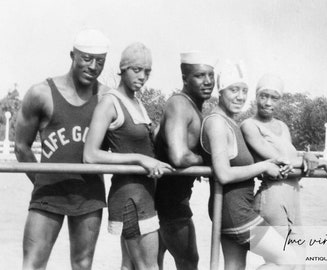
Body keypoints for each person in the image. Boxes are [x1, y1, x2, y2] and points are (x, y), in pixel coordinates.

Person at [14, 29, 110, 270]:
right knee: (33, 264)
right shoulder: (42, 93)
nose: (93, 66)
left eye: (100, 61)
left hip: (89, 195)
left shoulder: (107, 98)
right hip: (49, 193)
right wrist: (43, 180)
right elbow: (21, 147)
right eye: (86, 58)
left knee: (82, 264)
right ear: (72, 55)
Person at [83, 42, 174, 270]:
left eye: (147, 71)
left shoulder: (137, 102)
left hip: (145, 195)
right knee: (148, 267)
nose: (143, 76)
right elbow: (90, 155)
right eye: (136, 69)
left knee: (129, 266)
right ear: (122, 69)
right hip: (130, 199)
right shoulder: (109, 102)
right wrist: (138, 159)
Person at [200, 62, 298, 270]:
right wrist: (263, 167)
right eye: (233, 90)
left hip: (232, 210)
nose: (240, 97)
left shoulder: (231, 122)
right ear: (221, 90)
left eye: (244, 91)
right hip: (236, 213)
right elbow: (224, 174)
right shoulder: (217, 122)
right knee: (292, 261)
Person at [155, 51, 215, 270]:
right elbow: (179, 156)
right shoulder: (180, 105)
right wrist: (208, 160)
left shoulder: (193, 106)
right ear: (184, 79)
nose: (207, 81)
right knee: (189, 262)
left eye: (210, 75)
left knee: (156, 261)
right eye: (200, 75)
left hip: (172, 199)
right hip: (168, 202)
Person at [240, 74, 319, 239]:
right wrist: (323, 163)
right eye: (264, 96)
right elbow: (282, 160)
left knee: (299, 260)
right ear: (256, 97)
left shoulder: (283, 126)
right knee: (284, 260)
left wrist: (308, 154)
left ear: (280, 100)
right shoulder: (249, 125)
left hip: (293, 195)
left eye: (274, 98)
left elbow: (293, 156)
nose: (268, 103)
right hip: (272, 197)